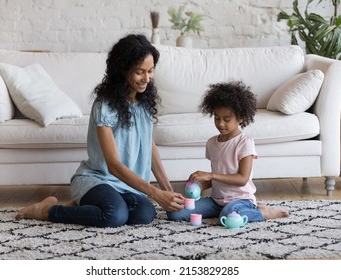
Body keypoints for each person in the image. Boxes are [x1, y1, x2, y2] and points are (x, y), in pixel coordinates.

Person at [16, 34, 185, 227]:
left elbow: (149, 147)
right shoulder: (105, 105)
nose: (146, 78)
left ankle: (79, 207)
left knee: (145, 214)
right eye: (140, 72)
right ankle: (46, 210)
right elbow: (112, 165)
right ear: (123, 70)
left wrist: (168, 191)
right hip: (97, 180)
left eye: (151, 71)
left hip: (127, 186)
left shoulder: (144, 101)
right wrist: (156, 193)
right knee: (115, 216)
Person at [167, 81, 289, 224]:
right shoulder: (212, 143)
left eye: (227, 119)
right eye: (217, 118)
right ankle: (226, 213)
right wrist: (200, 186)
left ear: (241, 117)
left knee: (228, 215)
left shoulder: (245, 143)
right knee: (174, 213)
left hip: (241, 200)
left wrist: (210, 175)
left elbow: (242, 178)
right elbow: (218, 178)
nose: (220, 124)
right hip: (216, 201)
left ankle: (263, 211)